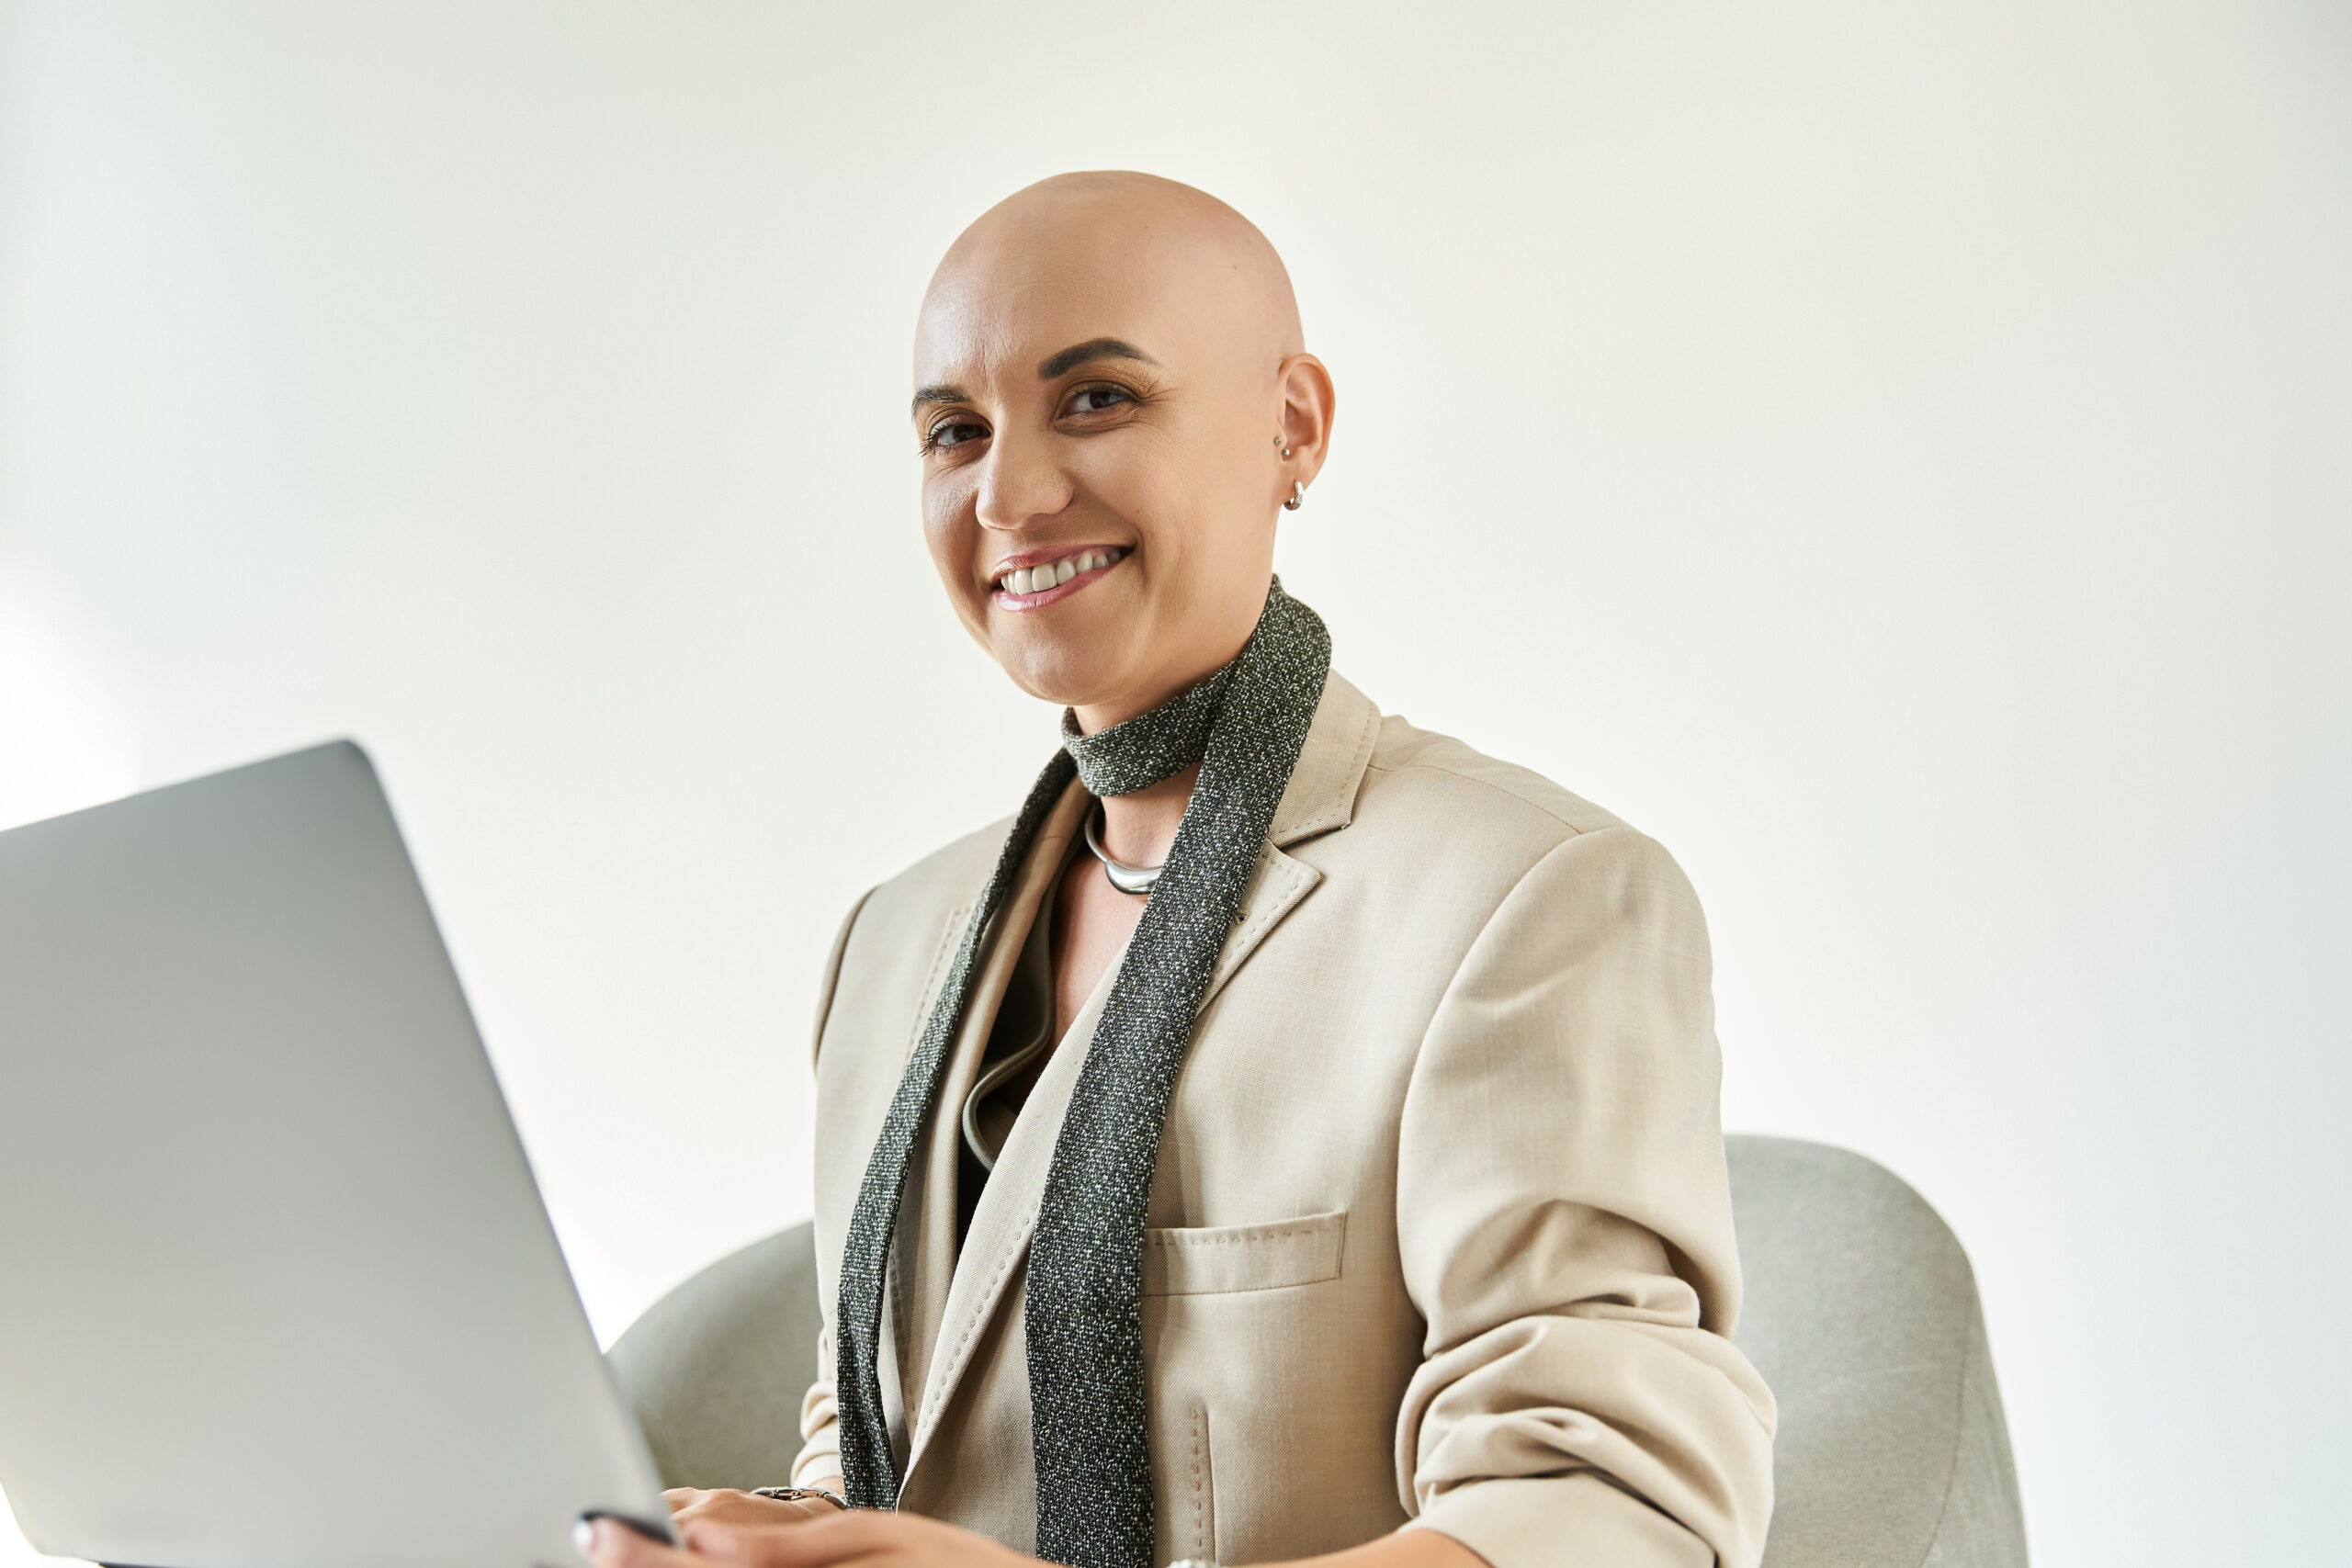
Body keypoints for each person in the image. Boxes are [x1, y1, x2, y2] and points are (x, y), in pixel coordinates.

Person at [582, 171, 1774, 1568]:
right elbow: (887, 1449)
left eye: (1096, 398)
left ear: (1293, 425)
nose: (1010, 493)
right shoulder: (890, 945)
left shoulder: (1530, 901)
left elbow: (1612, 1516)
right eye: (955, 432)